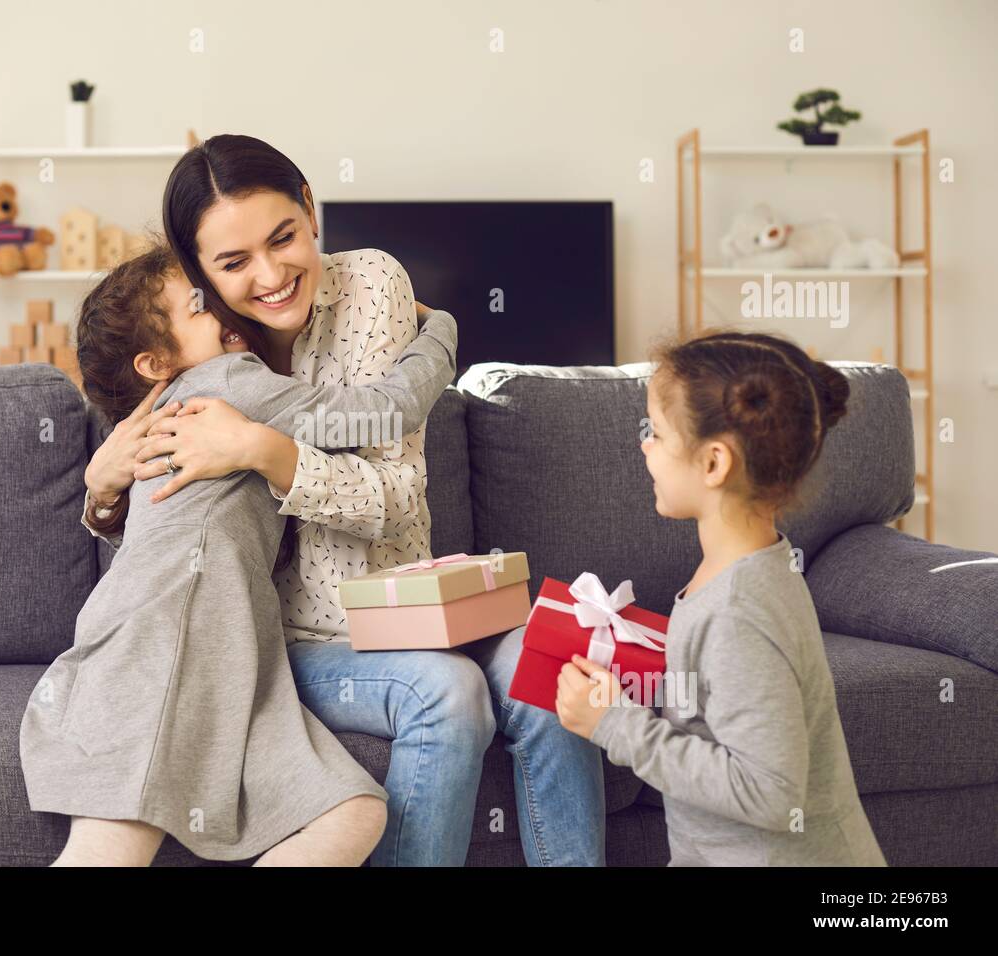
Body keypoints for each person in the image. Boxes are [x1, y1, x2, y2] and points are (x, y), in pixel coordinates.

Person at [85, 133, 606, 866]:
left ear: (310, 208)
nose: (269, 276)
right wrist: (102, 485)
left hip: (404, 603)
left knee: (555, 668)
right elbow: (175, 533)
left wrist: (265, 451)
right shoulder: (209, 352)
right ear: (198, 273)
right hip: (283, 642)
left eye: (283, 237)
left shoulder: (366, 287)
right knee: (450, 694)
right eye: (233, 264)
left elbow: (393, 493)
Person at [20, 239, 460, 865]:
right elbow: (384, 413)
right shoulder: (230, 382)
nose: (223, 309)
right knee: (113, 845)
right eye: (199, 308)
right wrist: (440, 327)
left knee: (353, 812)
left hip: (234, 658)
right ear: (154, 362)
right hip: (165, 644)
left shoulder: (184, 404)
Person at [557, 329, 887, 866]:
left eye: (658, 434)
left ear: (714, 463)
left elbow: (769, 791)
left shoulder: (739, 609)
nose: (645, 446)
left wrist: (615, 724)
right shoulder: (750, 566)